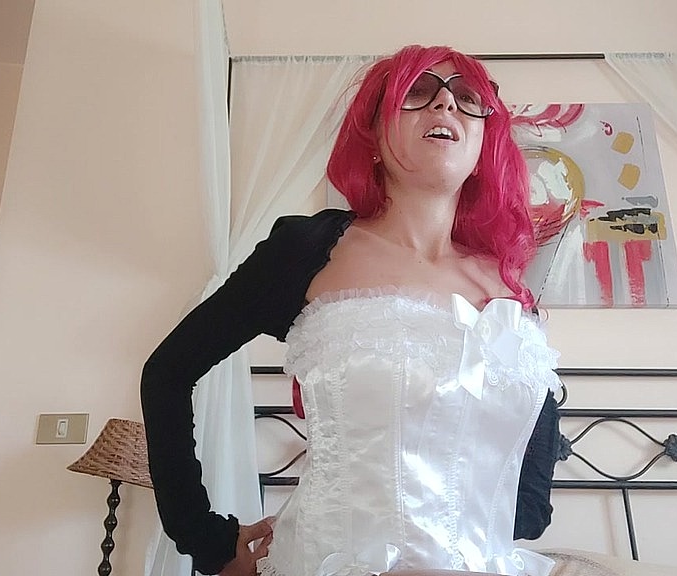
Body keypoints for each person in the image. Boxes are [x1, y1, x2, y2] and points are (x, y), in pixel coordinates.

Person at [141, 44, 563, 576]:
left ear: (485, 142)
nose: (445, 105)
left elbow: (531, 493)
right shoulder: (308, 250)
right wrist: (205, 538)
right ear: (373, 136)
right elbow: (167, 373)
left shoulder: (509, 286)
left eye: (467, 96)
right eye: (417, 92)